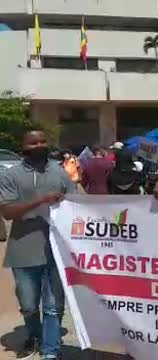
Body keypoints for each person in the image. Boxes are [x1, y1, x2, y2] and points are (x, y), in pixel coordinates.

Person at [0, 128, 76, 360]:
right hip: (23, 249)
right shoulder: (10, 175)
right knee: (29, 304)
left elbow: (76, 205)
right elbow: (8, 212)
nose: (39, 145)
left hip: (56, 250)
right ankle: (33, 335)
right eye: (33, 143)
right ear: (24, 146)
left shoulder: (61, 173)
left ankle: (50, 350)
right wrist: (41, 201)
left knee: (53, 306)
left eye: (43, 141)